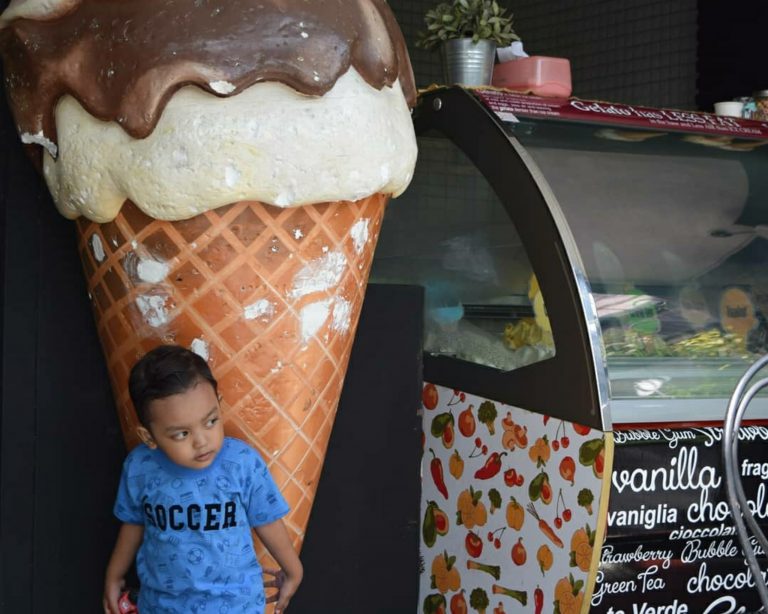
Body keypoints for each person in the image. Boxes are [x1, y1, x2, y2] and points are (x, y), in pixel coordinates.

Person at [103, 345, 303, 614]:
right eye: (181, 434)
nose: (202, 441)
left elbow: (266, 519)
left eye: (210, 421)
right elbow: (133, 524)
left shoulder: (242, 462)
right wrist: (114, 575)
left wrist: (293, 570)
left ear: (219, 405)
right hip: (163, 606)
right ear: (148, 437)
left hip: (237, 606)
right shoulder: (140, 466)